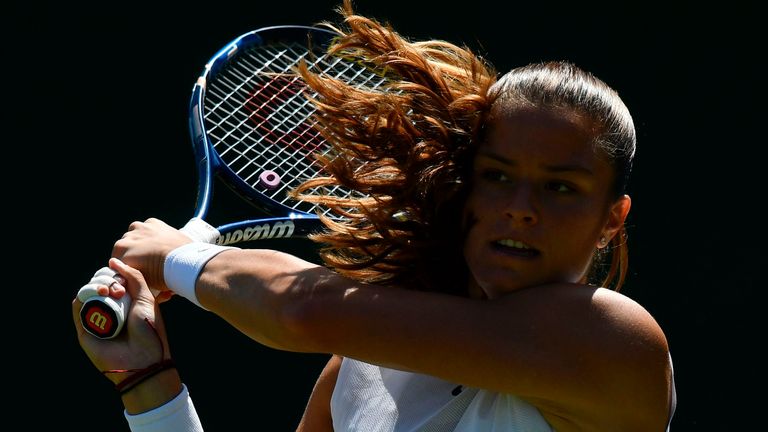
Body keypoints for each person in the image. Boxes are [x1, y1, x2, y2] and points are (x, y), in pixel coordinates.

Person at [73, 1, 676, 430]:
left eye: (561, 188)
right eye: (497, 176)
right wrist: (147, 384)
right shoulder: (362, 362)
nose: (520, 210)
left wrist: (174, 255)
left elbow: (302, 309)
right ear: (464, 183)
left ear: (612, 219)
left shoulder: (617, 343)